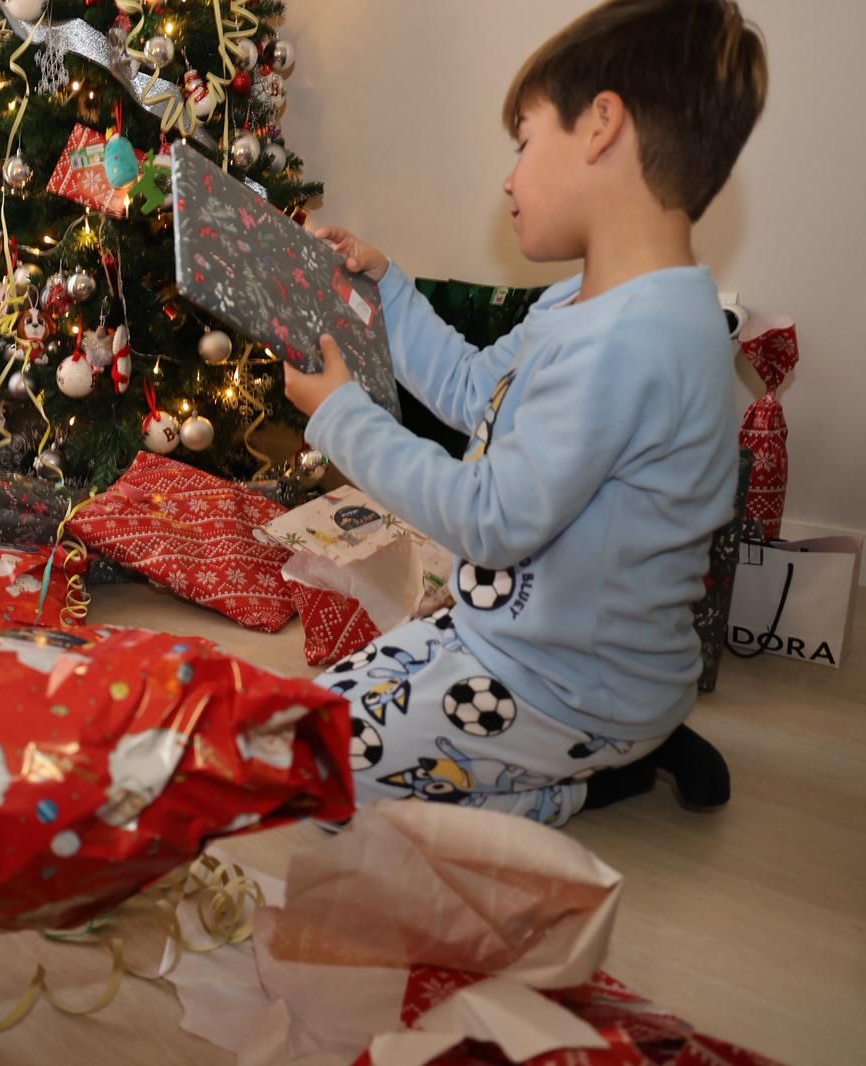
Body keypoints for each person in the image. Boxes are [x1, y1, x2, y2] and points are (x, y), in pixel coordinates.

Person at [284, 0, 767, 826]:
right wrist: (388, 288)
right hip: (521, 644)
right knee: (292, 724)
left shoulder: (632, 338)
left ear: (601, 127)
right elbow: (476, 392)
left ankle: (587, 772)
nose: (510, 176)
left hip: (567, 687)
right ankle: (630, 747)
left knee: (302, 774)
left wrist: (340, 418)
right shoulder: (584, 304)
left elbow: (492, 519)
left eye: (525, 140)